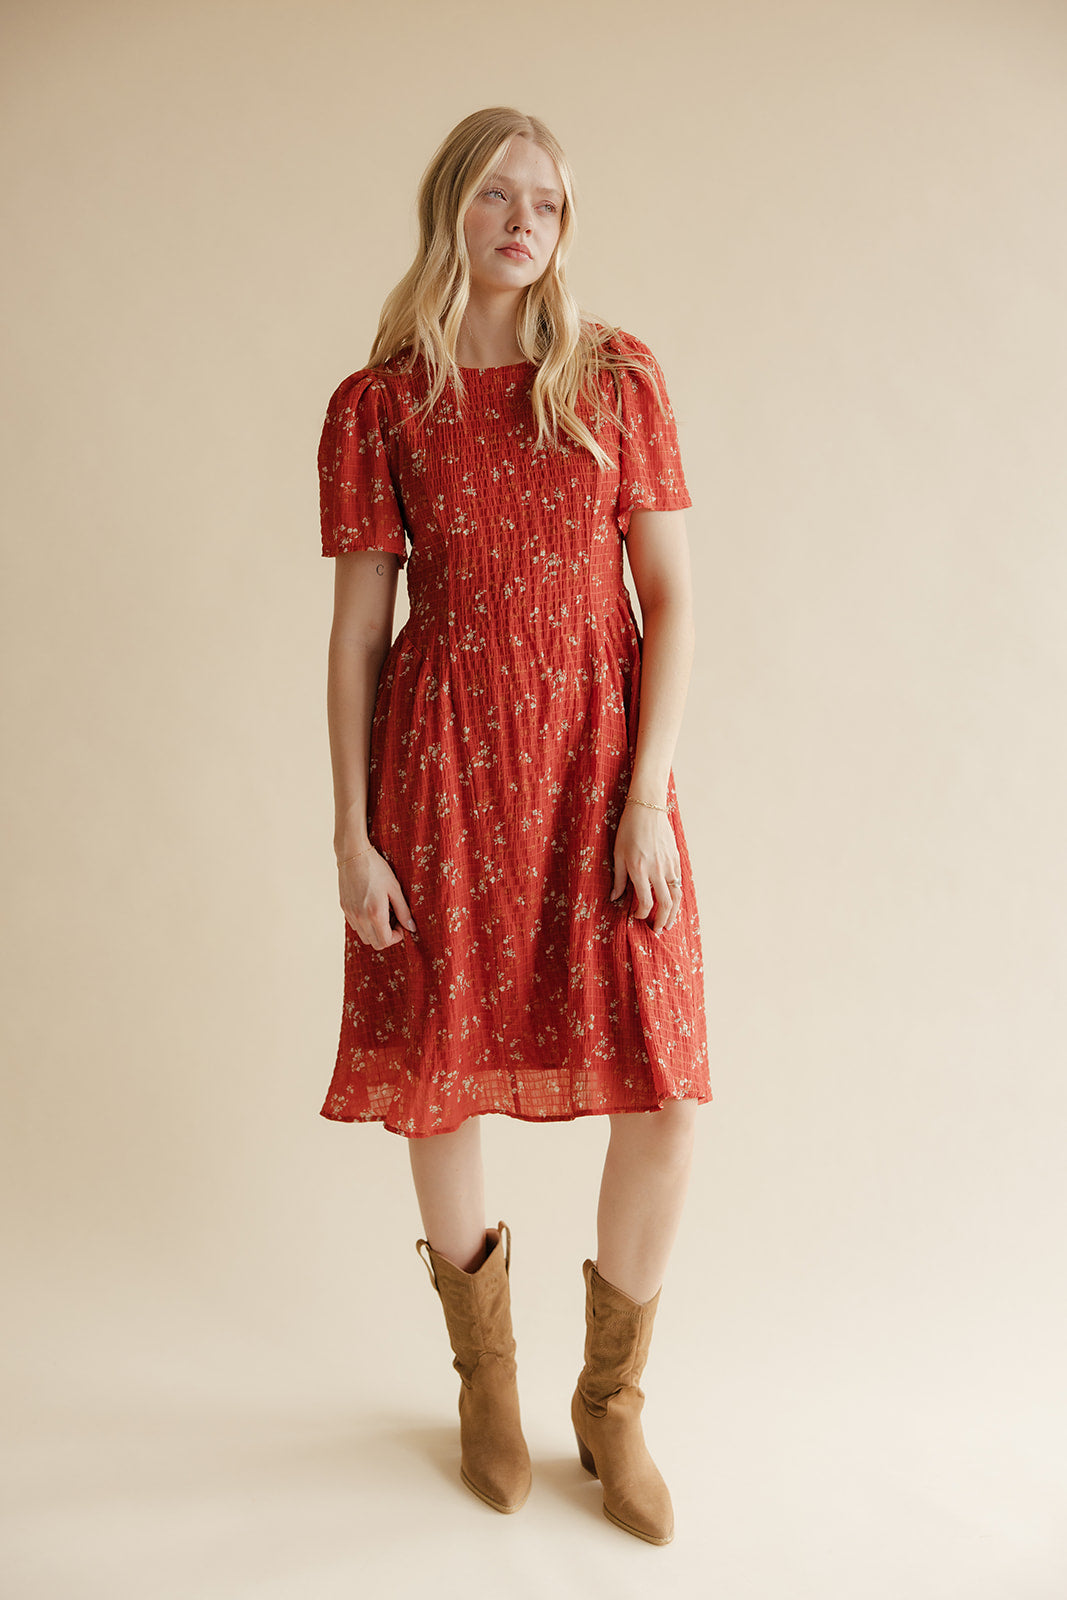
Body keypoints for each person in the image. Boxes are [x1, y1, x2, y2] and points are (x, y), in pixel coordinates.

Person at [316, 106, 713, 1546]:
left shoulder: (616, 381)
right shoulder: (380, 407)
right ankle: (488, 1380)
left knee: (666, 1094)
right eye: (498, 193)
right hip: (442, 768)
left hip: (601, 769)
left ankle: (611, 1407)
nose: (525, 216)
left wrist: (648, 792)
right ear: (452, 213)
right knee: (440, 1074)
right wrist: (351, 836)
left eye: (547, 198)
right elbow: (361, 635)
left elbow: (669, 597)